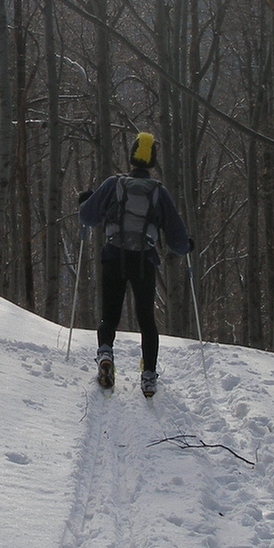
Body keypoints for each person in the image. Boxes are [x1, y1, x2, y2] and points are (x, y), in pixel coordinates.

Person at [78, 132, 192, 396]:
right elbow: (176, 240)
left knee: (110, 314)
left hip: (113, 256)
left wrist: (85, 199)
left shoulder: (113, 185)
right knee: (146, 320)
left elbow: (87, 217)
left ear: (131, 158)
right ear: (152, 162)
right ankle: (149, 375)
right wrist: (188, 245)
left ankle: (106, 354)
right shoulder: (158, 192)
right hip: (144, 262)